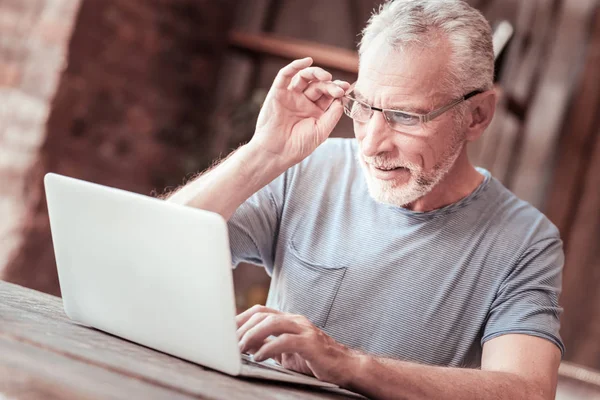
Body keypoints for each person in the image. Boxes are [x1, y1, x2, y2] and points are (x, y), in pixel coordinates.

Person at [166, 1, 563, 398]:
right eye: (362, 107)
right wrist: (262, 154)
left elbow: (526, 391)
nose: (371, 145)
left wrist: (346, 364)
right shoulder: (310, 168)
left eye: (406, 116)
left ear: (477, 115)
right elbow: (158, 248)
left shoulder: (525, 240)